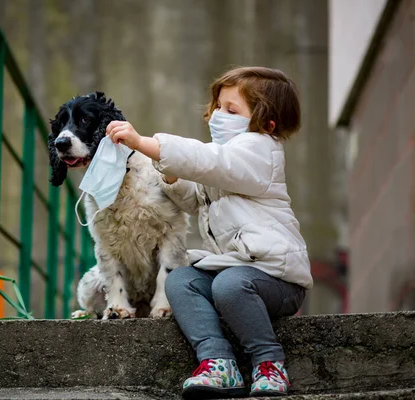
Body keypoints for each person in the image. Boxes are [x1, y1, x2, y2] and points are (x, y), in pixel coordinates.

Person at [105, 66, 313, 399]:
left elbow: (210, 162)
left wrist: (146, 144)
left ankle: (268, 362)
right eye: (218, 106)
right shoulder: (223, 161)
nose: (218, 115)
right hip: (234, 273)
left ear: (267, 125)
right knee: (180, 281)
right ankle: (218, 361)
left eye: (232, 110)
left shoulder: (261, 151)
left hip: (278, 279)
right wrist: (171, 177)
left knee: (230, 286)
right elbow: (196, 198)